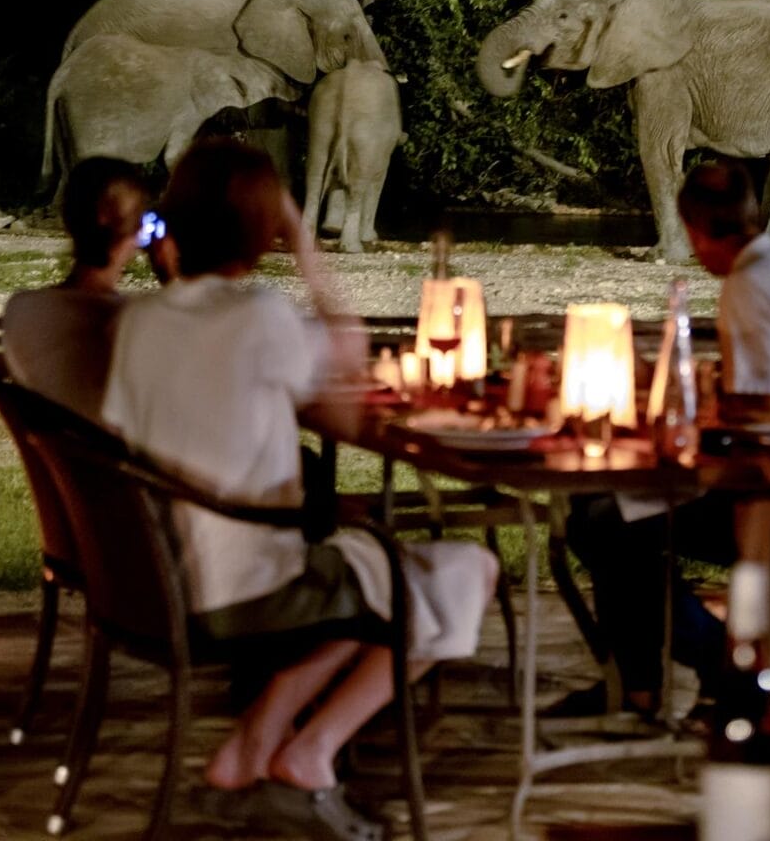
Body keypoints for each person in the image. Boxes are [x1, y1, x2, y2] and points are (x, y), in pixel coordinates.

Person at [98, 139, 496, 827]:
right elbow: (347, 370)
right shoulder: (260, 318)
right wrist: (307, 245)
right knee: (466, 568)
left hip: (162, 578)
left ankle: (252, 744)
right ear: (262, 228)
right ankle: (311, 750)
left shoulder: (138, 323)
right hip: (251, 586)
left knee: (371, 566)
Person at [562, 159, 770, 716]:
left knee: (605, 519)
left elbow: (763, 407)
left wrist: (684, 404)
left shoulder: (747, 286)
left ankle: (698, 666)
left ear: (695, 229)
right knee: (610, 513)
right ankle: (645, 681)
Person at [0, 156, 150, 420]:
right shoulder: (136, 320)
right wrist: (176, 277)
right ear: (137, 232)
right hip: (118, 459)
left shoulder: (21, 310)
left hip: (61, 458)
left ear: (68, 219)